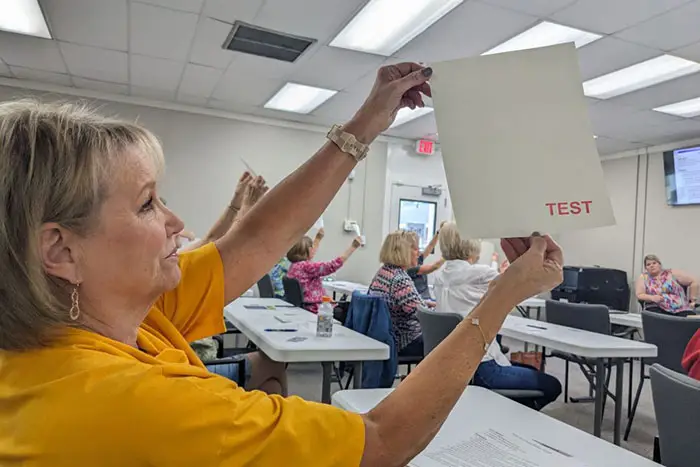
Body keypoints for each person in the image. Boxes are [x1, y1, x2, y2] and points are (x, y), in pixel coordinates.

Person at [0, 62, 565, 467]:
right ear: (60, 251)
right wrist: (503, 297)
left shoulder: (106, 316)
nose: (176, 223)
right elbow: (381, 439)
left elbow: (259, 235)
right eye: (148, 203)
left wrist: (367, 122)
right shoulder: (131, 403)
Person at [433, 223, 562, 410]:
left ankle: (498, 411)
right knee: (551, 385)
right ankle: (508, 416)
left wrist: (509, 273)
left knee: (530, 371)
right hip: (482, 369)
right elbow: (528, 289)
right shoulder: (480, 273)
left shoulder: (439, 277)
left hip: (451, 365)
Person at [369, 231, 432, 358]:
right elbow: (422, 315)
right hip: (405, 339)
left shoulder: (383, 272)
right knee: (449, 342)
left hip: (386, 334)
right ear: (404, 251)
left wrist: (426, 304)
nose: (418, 253)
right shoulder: (400, 279)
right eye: (415, 249)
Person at [179, 172, 268, 253]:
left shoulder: (176, 255)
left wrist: (236, 203)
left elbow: (210, 240)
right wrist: (247, 206)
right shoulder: (172, 263)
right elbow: (224, 247)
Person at [286, 234, 362, 312]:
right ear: (309, 249)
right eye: (312, 247)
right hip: (316, 309)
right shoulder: (306, 267)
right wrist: (353, 247)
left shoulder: (294, 267)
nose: (314, 250)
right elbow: (333, 265)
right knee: (353, 311)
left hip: (307, 306)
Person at [270, 228, 324, 299]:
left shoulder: (284, 260)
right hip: (286, 298)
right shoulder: (297, 266)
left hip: (278, 296)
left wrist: (318, 239)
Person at [406, 229, 445, 300]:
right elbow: (434, 267)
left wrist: (438, 233)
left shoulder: (417, 259)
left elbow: (430, 246)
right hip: (421, 301)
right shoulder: (408, 268)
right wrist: (448, 255)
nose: (418, 252)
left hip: (427, 298)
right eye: (415, 248)